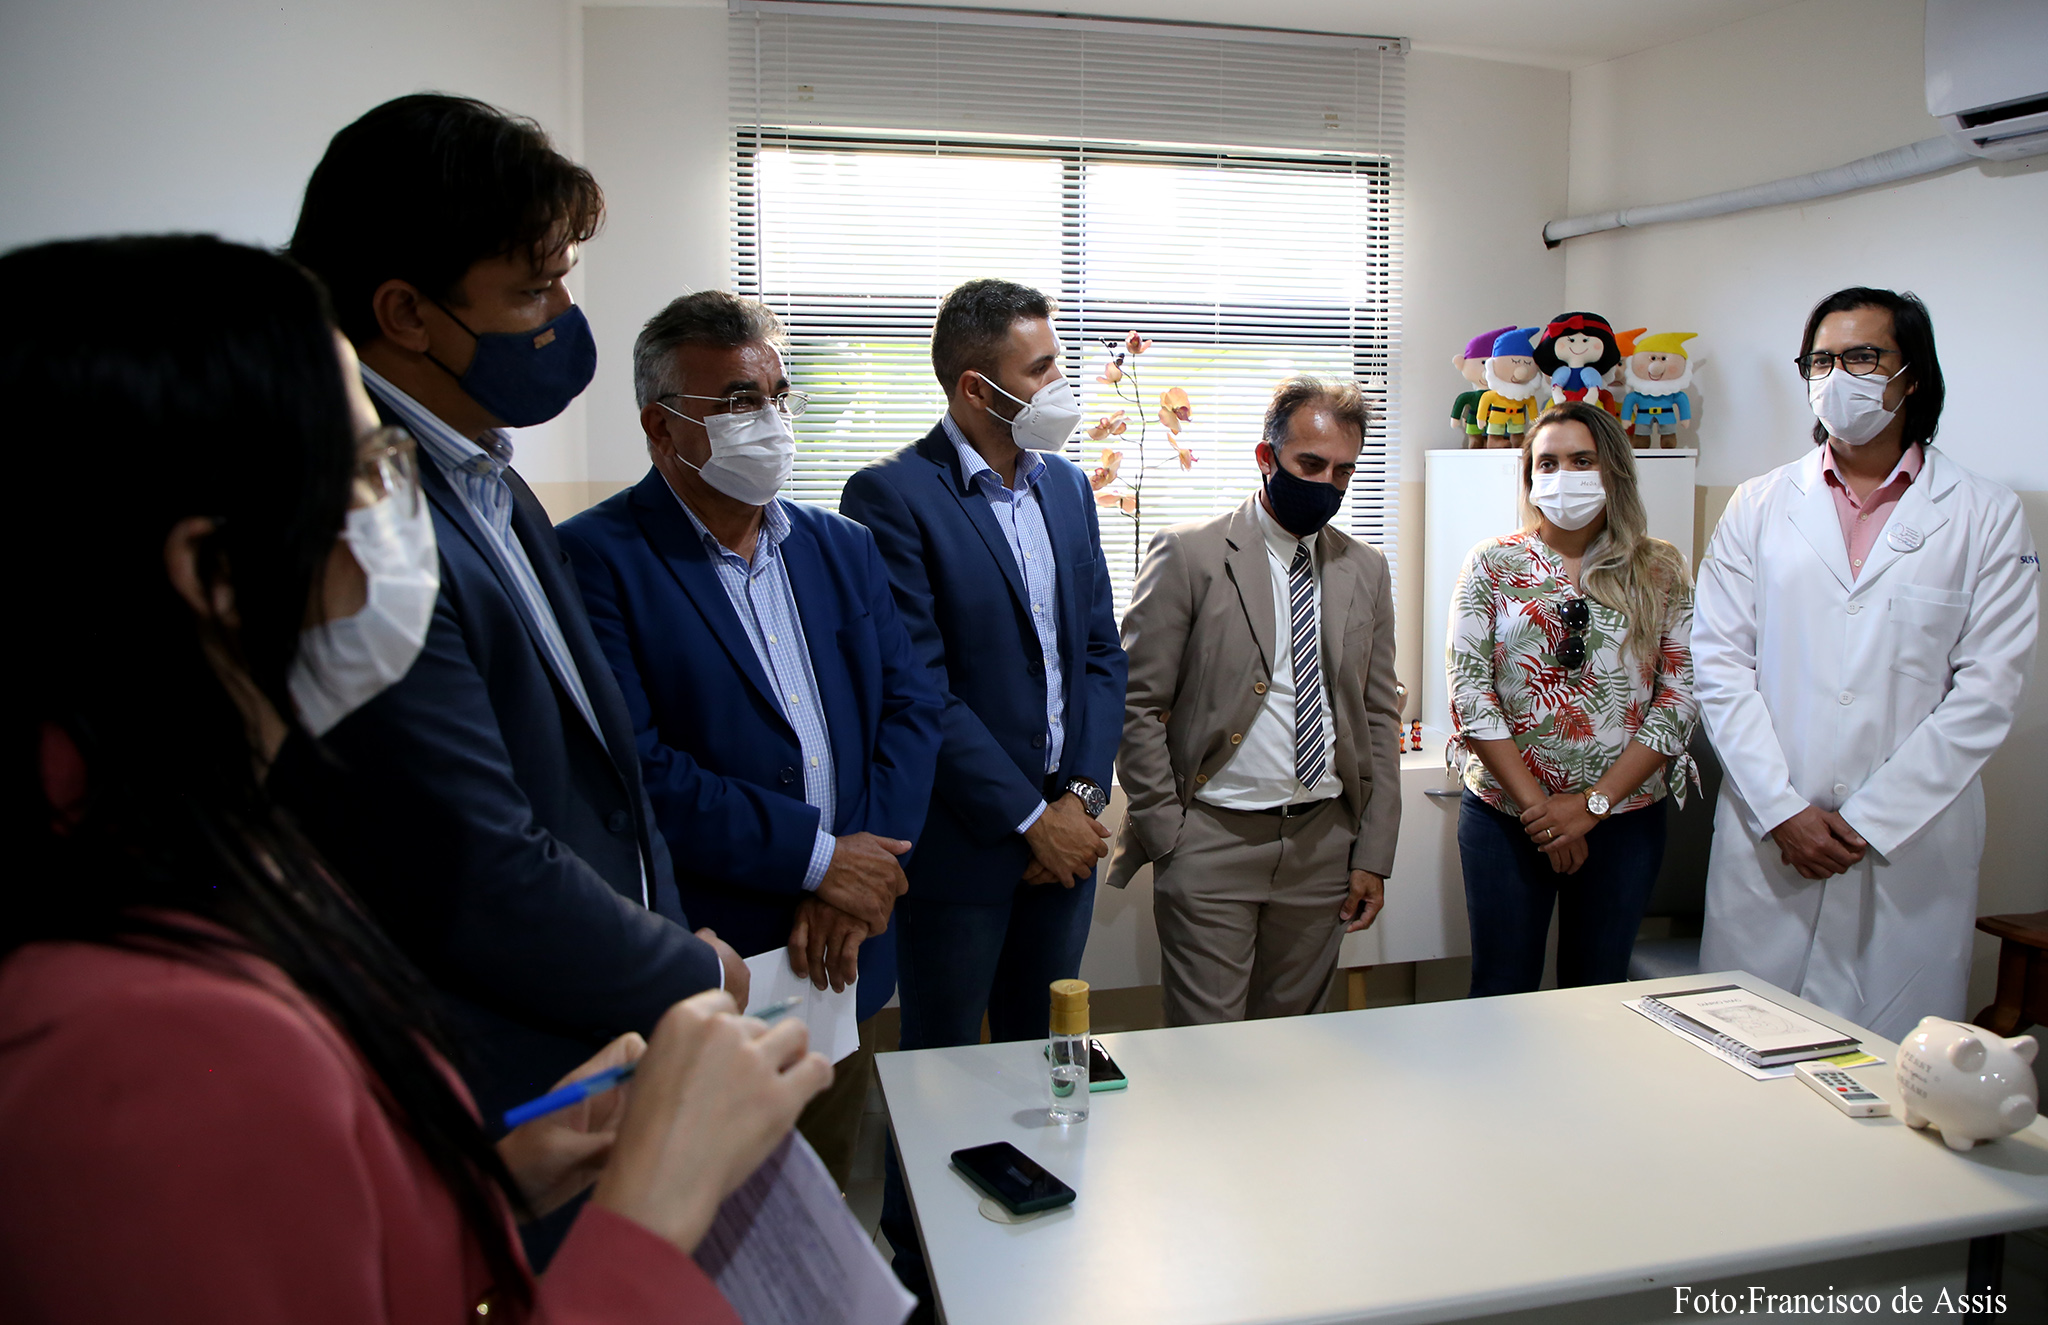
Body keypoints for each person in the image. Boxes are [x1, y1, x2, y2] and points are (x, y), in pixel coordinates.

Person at [0, 233, 830, 1323]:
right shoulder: (140, 1036)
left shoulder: (211, 840)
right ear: (213, 570)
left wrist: (484, 1188)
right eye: (365, 467)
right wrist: (649, 1213)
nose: (399, 514)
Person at [269, 94, 741, 1141]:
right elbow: (471, 858)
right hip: (500, 1069)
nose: (563, 314)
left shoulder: (493, 477)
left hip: (612, 1026)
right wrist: (689, 968)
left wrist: (666, 943)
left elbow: (606, 781)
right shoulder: (364, 525)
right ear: (406, 314)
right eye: (532, 290)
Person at [558, 291, 942, 1189]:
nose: (768, 419)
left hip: (846, 950)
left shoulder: (841, 546)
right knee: (717, 1214)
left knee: (831, 1194)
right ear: (661, 427)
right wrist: (819, 861)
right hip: (718, 959)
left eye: (777, 395)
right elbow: (638, 767)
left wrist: (859, 873)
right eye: (737, 400)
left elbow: (912, 706)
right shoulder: (595, 558)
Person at [839, 278, 1126, 1311]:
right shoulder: (892, 496)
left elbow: (1099, 654)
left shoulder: (1066, 488)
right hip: (966, 845)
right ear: (974, 387)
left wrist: (1078, 797)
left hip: (1067, 836)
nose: (1062, 386)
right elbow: (921, 685)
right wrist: (1027, 816)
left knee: (1045, 1062)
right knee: (943, 1070)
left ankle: (1033, 1258)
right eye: (1040, 369)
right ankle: (924, 1275)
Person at [1693, 288, 2039, 1042]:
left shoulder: (1984, 513)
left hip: (1905, 848)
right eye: (1820, 360)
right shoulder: (1757, 505)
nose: (1836, 376)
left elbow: (1986, 692)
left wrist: (1871, 821)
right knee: (1743, 1054)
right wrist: (1782, 810)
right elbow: (1719, 666)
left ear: (1911, 376)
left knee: (1889, 1069)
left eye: (1861, 357)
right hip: (1770, 833)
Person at [1109, 376, 1400, 1025]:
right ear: (1267, 457)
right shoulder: (1189, 553)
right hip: (1211, 839)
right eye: (1311, 464)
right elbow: (1136, 704)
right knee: (1207, 1047)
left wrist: (1372, 853)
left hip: (1324, 845)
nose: (1327, 484)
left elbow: (1378, 715)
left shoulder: (1366, 567)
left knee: (1292, 1043)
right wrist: (1169, 834)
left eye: (1344, 471)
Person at [1447, 401, 1698, 996]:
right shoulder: (1493, 563)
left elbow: (1680, 695)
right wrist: (1543, 813)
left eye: (1583, 461)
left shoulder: (1659, 567)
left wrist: (1592, 806)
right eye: (1548, 463)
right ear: (1530, 477)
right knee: (1501, 988)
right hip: (1508, 817)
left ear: (1614, 469)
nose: (1565, 476)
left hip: (1625, 818)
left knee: (1598, 991)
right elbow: (1471, 692)